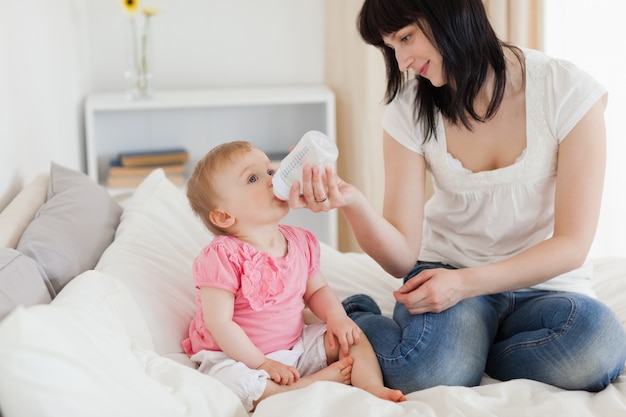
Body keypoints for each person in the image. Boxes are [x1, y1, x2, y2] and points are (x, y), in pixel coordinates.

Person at [288, 0, 626, 394]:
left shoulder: (566, 90)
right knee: (425, 374)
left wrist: (467, 285)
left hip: (546, 285)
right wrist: (353, 203)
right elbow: (401, 257)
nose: (402, 62)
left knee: (598, 346)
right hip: (446, 271)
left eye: (406, 37)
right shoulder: (410, 111)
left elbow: (571, 246)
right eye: (391, 47)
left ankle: (472, 352)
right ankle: (360, 317)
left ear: (448, 12)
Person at [182, 141, 405, 411]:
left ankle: (371, 387)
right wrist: (262, 364)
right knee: (231, 383)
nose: (271, 180)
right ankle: (310, 383)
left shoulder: (300, 241)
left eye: (270, 172)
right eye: (253, 178)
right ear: (224, 216)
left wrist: (337, 317)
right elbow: (219, 323)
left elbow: (317, 291)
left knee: (352, 338)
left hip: (294, 345)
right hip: (236, 356)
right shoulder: (222, 255)